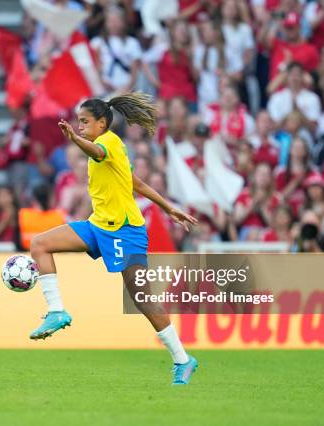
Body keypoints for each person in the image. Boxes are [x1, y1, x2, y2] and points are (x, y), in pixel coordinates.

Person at [28, 93, 199, 385]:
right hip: (98, 226)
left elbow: (96, 152)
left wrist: (74, 139)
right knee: (40, 244)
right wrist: (168, 206)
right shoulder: (109, 148)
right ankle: (56, 311)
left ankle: (183, 360)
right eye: (78, 122)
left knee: (143, 300)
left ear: (102, 123)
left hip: (125, 230)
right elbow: (134, 182)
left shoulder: (108, 143)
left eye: (85, 122)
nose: (80, 126)